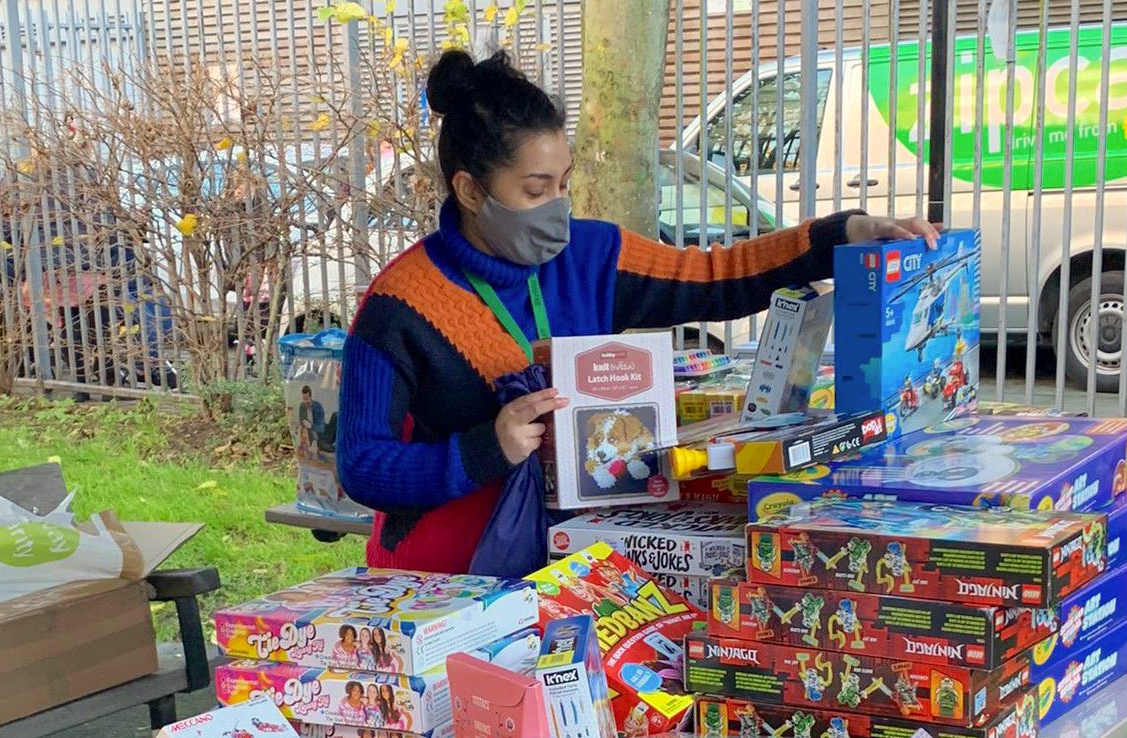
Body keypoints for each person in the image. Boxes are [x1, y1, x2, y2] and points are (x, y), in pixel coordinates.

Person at [336, 49, 938, 574]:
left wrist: (844, 234)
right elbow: (361, 467)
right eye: (535, 191)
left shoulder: (593, 256)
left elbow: (715, 275)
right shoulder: (402, 303)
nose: (559, 207)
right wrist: (485, 448)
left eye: (564, 183)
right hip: (447, 581)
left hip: (576, 561)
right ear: (471, 191)